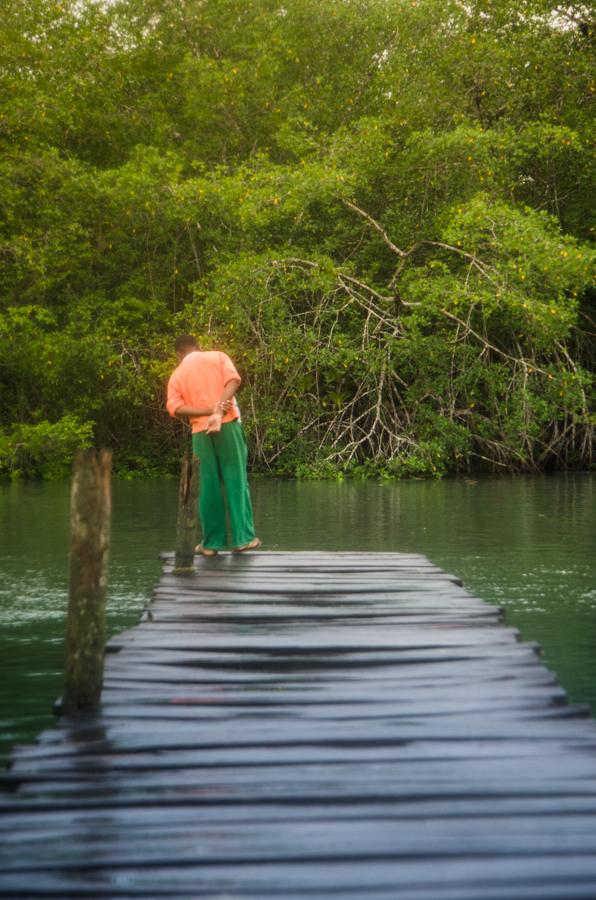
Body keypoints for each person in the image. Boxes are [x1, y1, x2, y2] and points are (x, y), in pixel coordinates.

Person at [166, 334, 261, 557]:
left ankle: (211, 544)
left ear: (180, 354)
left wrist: (207, 412)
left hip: (200, 432)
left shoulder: (177, 374)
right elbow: (234, 381)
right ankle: (243, 539)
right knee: (236, 481)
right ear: (198, 347)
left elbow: (175, 407)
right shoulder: (217, 356)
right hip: (227, 425)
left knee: (208, 488)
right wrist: (218, 411)